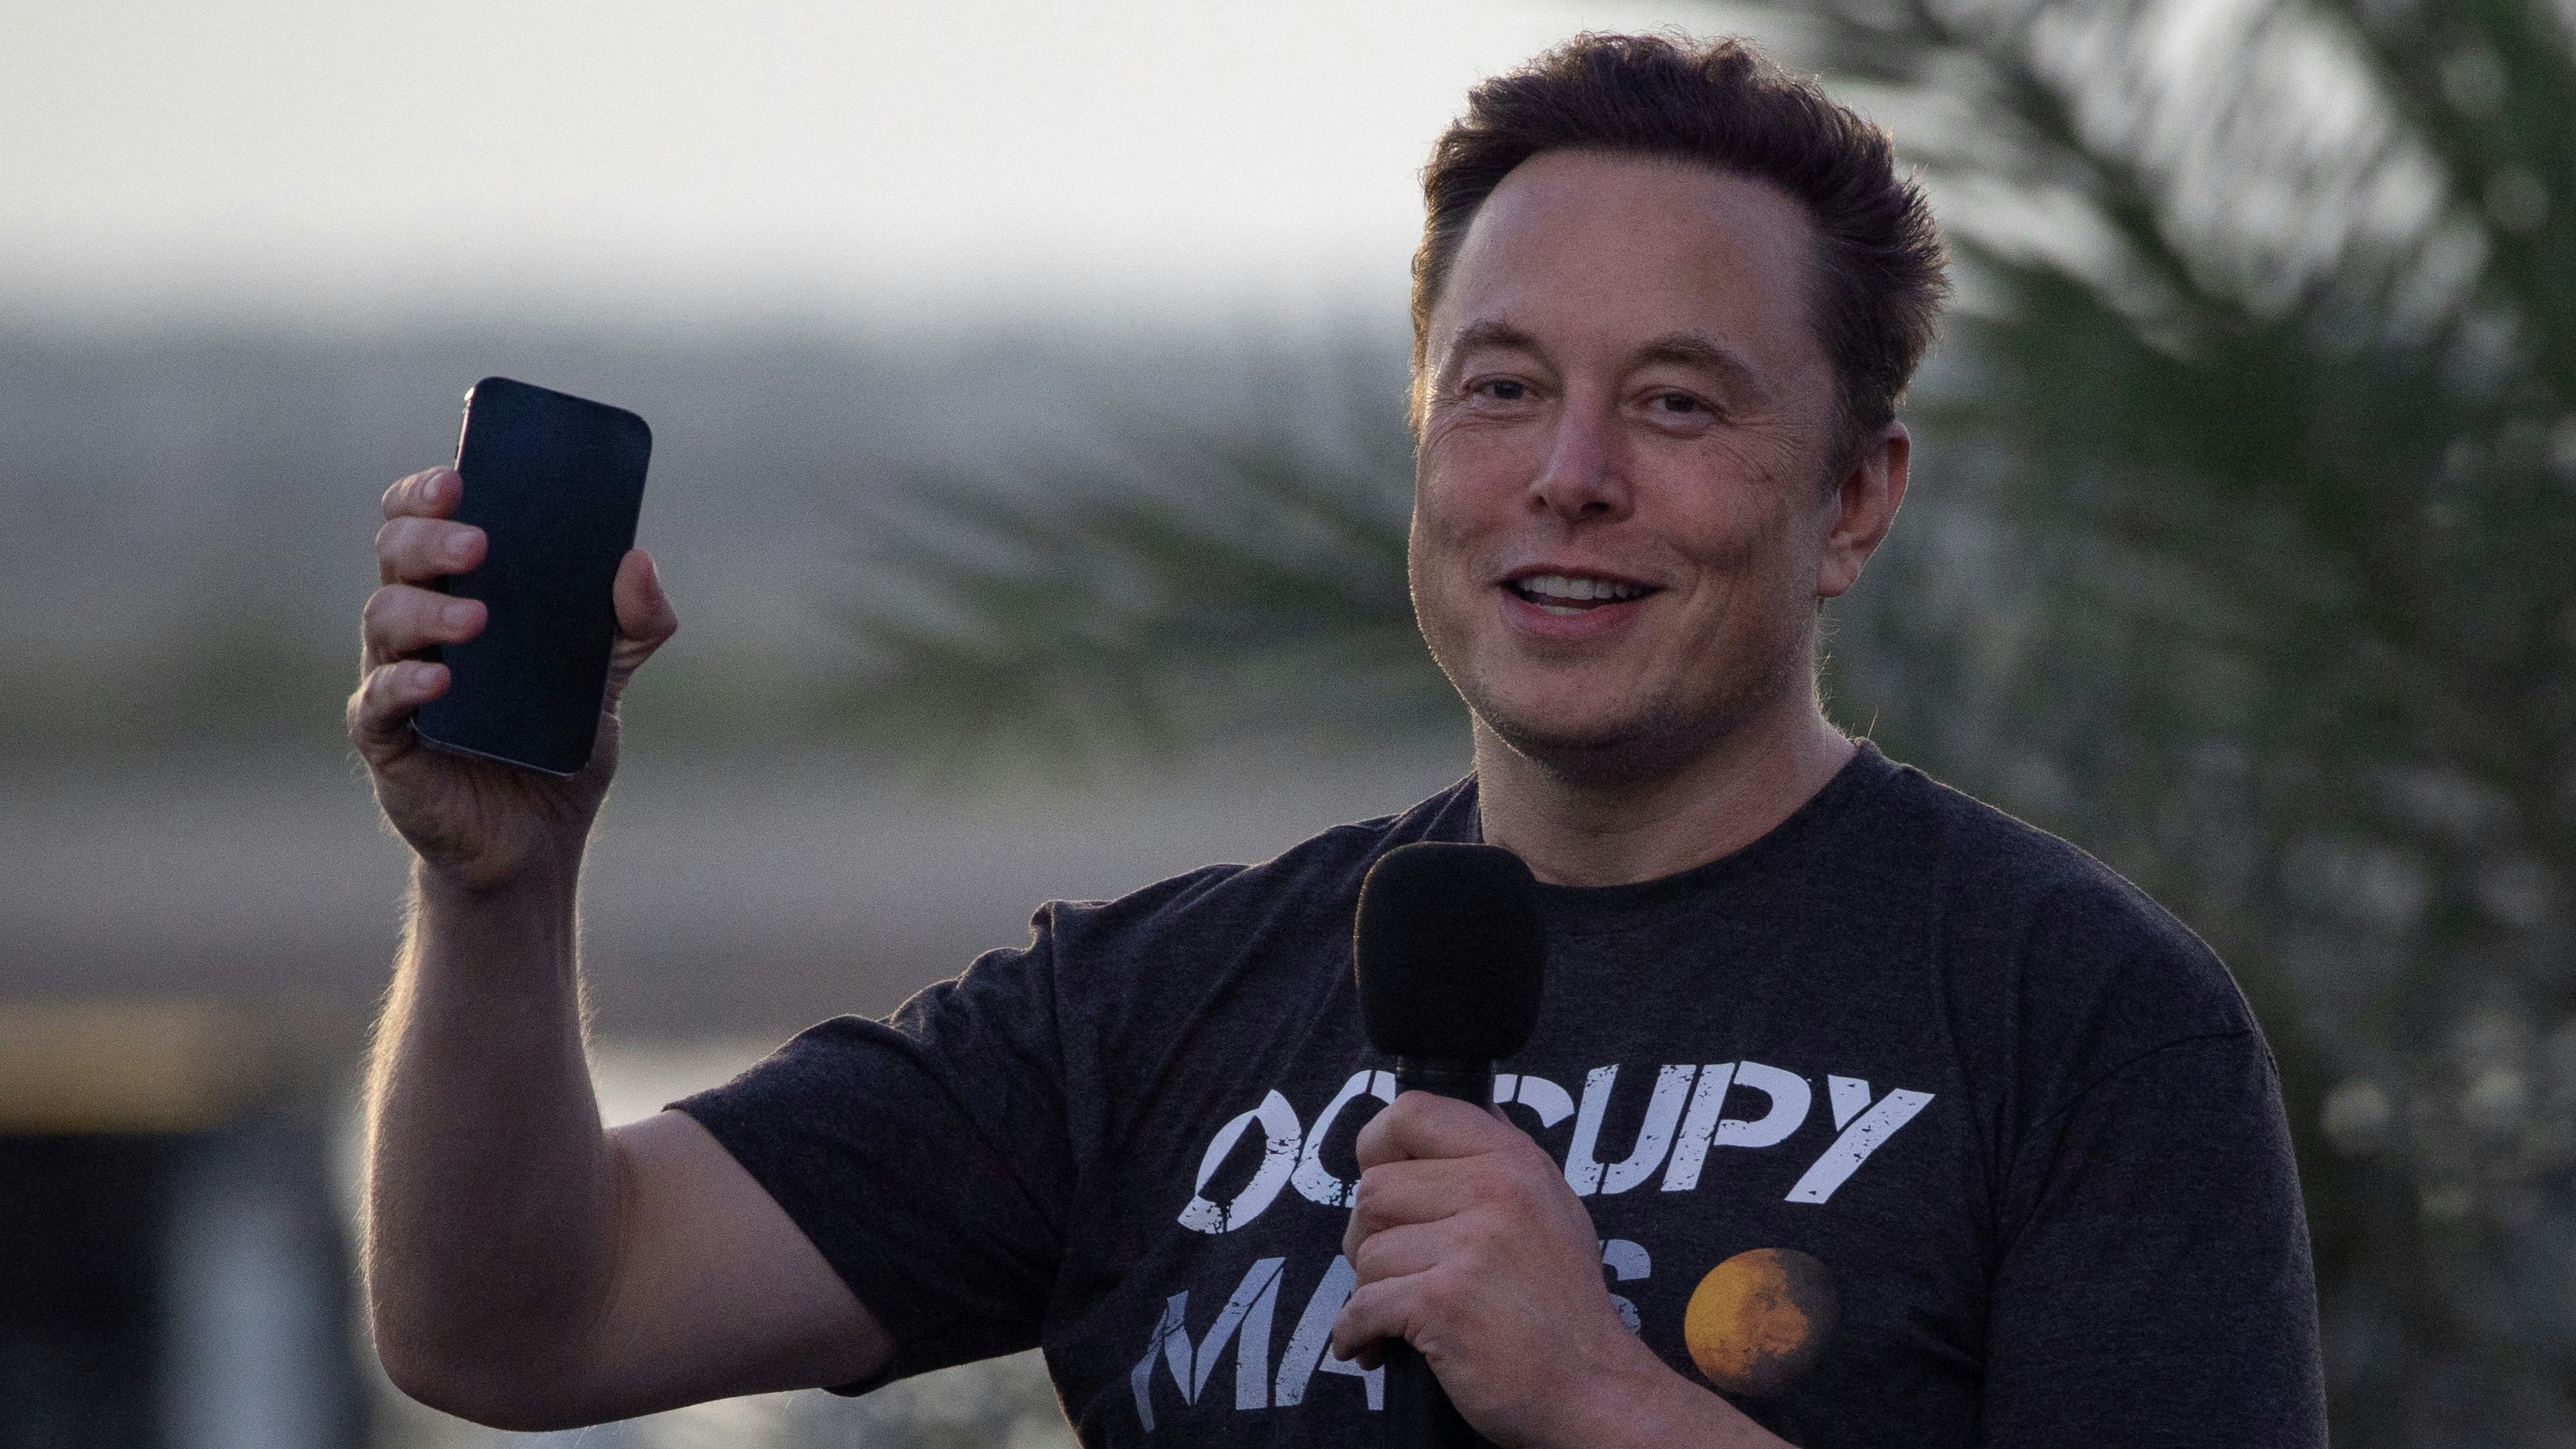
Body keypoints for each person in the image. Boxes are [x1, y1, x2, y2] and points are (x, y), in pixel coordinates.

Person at [350, 32, 2327, 1449]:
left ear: (1856, 501)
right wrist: (499, 887)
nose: (1567, 477)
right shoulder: (1146, 1015)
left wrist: (1601, 1396)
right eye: (1503, 387)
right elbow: (517, 1320)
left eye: (1678, 406)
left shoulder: (2076, 1017)